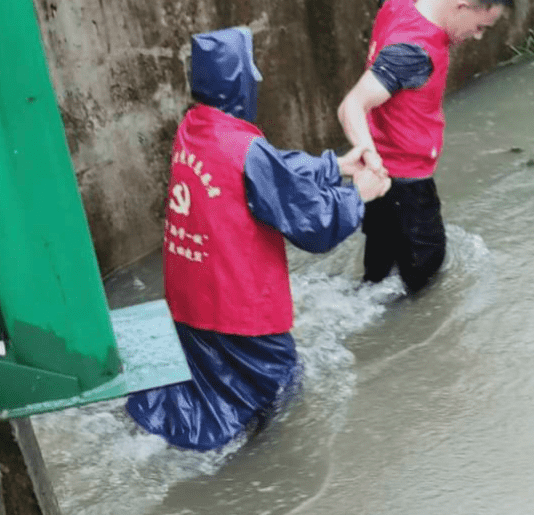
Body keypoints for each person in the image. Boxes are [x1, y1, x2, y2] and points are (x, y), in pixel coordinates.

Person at [126, 26, 389, 451]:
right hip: (241, 312)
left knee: (208, 386)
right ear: (239, 81)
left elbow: (271, 171)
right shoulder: (246, 150)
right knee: (281, 398)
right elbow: (312, 223)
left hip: (193, 302)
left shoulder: (194, 128)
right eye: (253, 69)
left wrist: (334, 166)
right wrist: (359, 195)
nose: (259, 77)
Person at [338, 0, 515, 296]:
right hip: (404, 184)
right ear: (463, 5)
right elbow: (351, 105)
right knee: (426, 281)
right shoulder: (415, 52)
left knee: (379, 276)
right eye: (481, 26)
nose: (477, 36)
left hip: (381, 181)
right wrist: (371, 157)